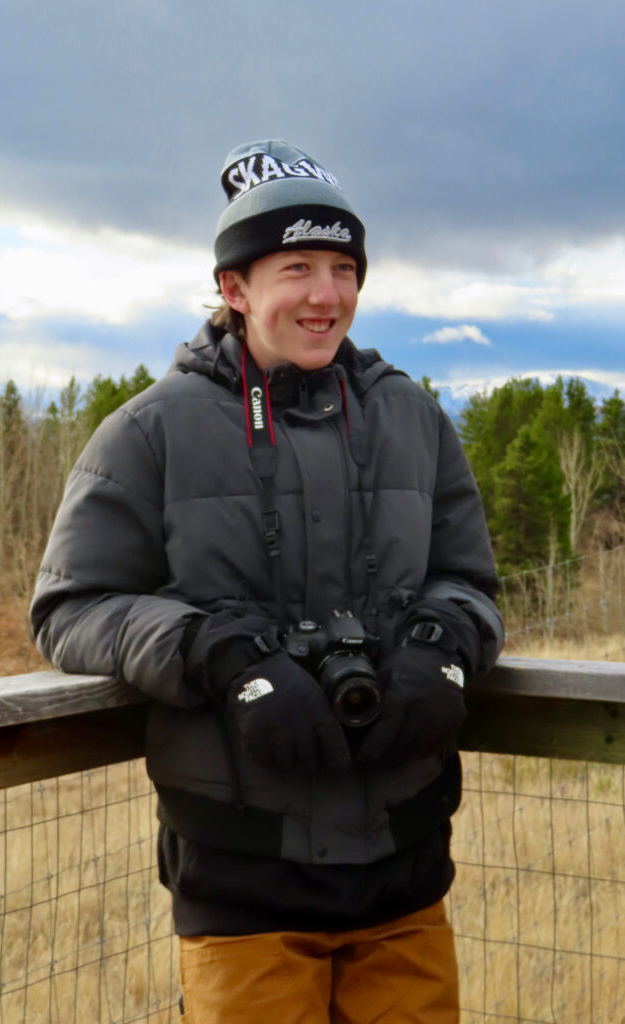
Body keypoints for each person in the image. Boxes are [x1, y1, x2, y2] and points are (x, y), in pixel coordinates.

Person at [31, 139, 504, 1023]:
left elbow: (468, 582)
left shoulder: (413, 418)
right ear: (234, 289)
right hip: (241, 885)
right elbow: (68, 609)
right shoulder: (150, 432)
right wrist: (218, 652)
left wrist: (440, 649)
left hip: (406, 870)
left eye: (343, 268)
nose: (326, 295)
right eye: (297, 268)